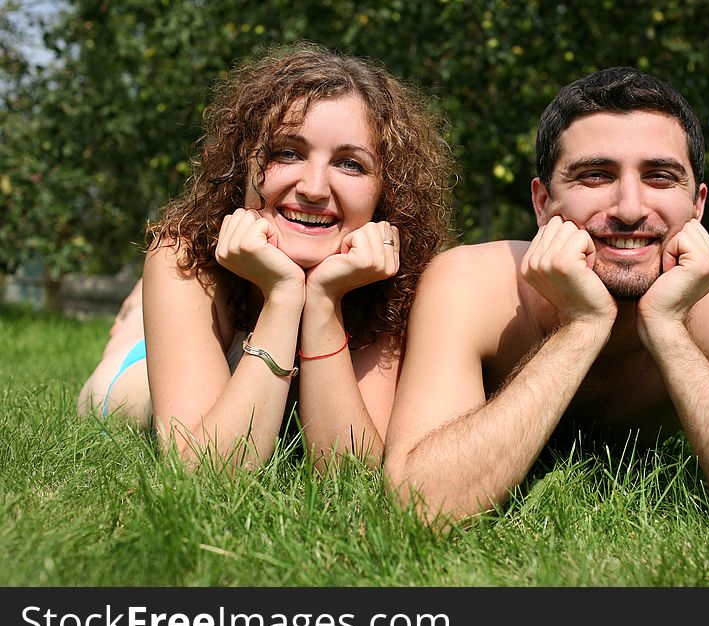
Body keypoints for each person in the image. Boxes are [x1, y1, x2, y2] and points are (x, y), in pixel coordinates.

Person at [384, 67, 709, 544]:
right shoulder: (471, 283)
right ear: (543, 203)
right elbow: (416, 510)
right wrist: (581, 327)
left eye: (660, 177)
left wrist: (667, 328)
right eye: (595, 176)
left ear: (697, 206)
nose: (628, 207)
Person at [77, 42, 454, 471]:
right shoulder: (184, 257)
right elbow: (206, 470)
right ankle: (134, 322)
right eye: (287, 153)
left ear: (386, 190)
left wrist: (324, 299)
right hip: (134, 376)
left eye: (350, 164)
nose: (313, 188)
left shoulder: (396, 283)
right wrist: (283, 294)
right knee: (111, 380)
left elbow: (350, 472)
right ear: (243, 164)